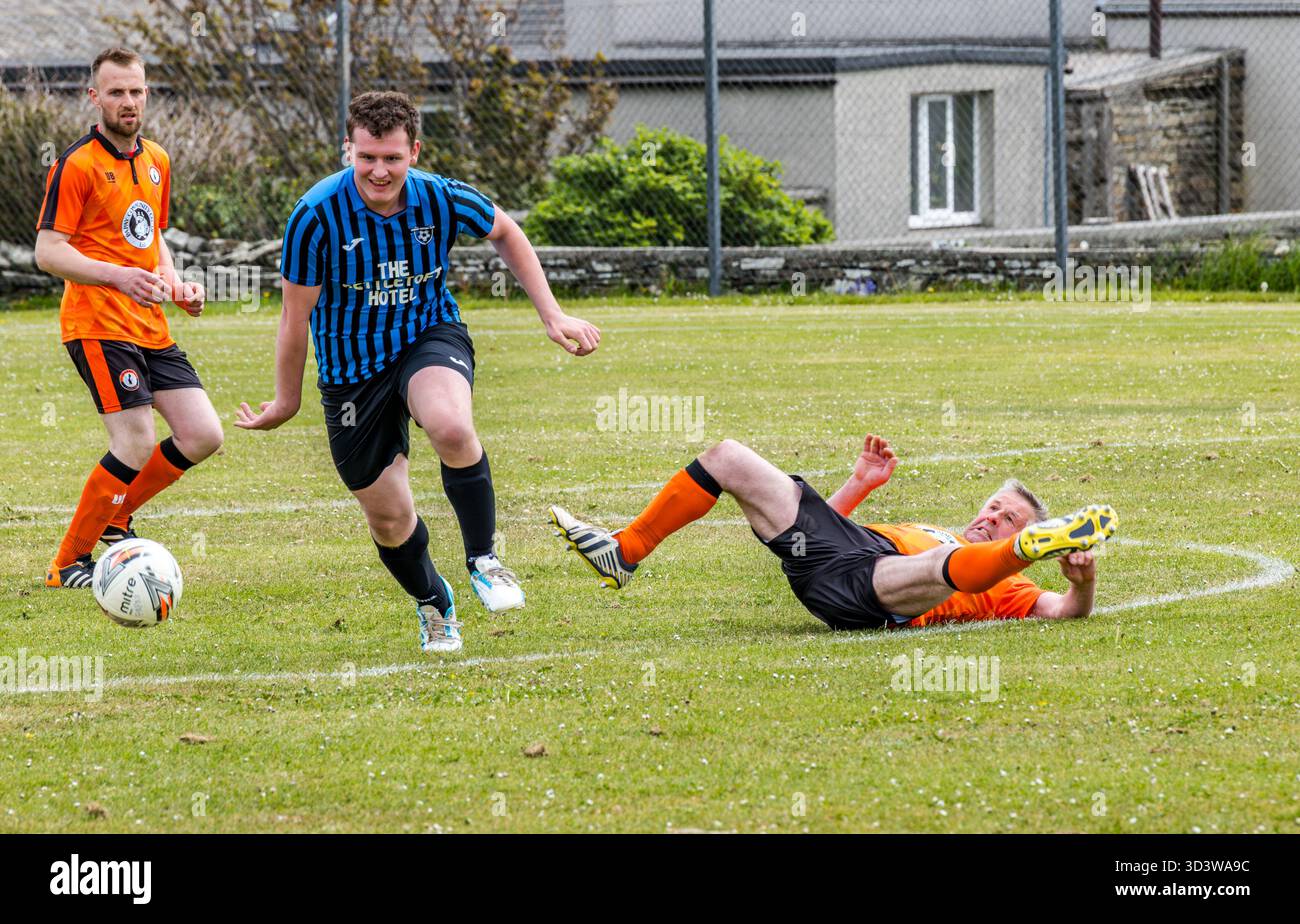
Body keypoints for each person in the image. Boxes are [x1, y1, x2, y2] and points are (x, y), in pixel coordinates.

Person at [236, 90, 601, 653]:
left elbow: (506, 232)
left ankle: (485, 559)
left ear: (415, 152)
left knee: (452, 426)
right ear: (347, 151)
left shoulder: (440, 197)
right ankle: (435, 604)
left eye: (393, 158)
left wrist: (551, 314)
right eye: (367, 157)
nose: (379, 171)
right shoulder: (314, 217)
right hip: (351, 374)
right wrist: (286, 401)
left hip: (427, 337)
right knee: (389, 518)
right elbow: (294, 317)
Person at [550, 434, 1116, 629]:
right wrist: (858, 484)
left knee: (941, 569)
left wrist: (1081, 581)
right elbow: (823, 536)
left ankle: (1032, 549)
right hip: (836, 560)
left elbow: (1067, 612)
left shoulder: (1010, 589)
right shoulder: (929, 526)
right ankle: (626, 551)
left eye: (1008, 519)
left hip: (881, 592)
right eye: (994, 509)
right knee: (729, 458)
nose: (990, 517)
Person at [36, 47, 221, 589]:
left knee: (203, 434)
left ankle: (117, 514)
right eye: (115, 92)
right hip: (97, 323)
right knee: (136, 439)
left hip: (149, 326)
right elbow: (48, 252)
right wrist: (116, 277)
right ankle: (68, 561)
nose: (128, 102)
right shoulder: (76, 165)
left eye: (136, 91)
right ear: (95, 97)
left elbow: (151, 237)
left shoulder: (157, 161)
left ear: (146, 94)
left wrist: (176, 283)